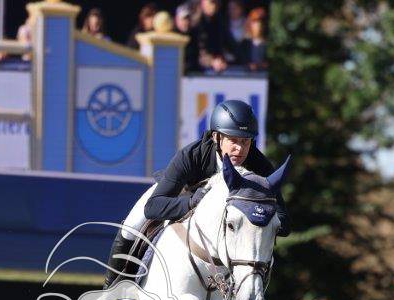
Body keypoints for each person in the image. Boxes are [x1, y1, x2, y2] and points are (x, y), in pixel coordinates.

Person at [100, 99, 288, 286]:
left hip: (229, 227)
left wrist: (261, 216)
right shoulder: (192, 155)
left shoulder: (260, 166)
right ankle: (110, 289)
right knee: (133, 224)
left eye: (245, 141)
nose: (240, 149)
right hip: (181, 195)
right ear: (216, 137)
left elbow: (284, 221)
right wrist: (191, 202)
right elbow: (153, 207)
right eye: (233, 140)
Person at [195, 0, 236, 72]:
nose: (214, 6)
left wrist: (246, 60)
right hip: (198, 70)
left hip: (218, 66)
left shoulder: (219, 20)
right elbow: (198, 50)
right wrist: (211, 61)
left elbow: (230, 43)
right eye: (211, 2)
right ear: (203, 2)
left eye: (216, 3)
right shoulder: (196, 22)